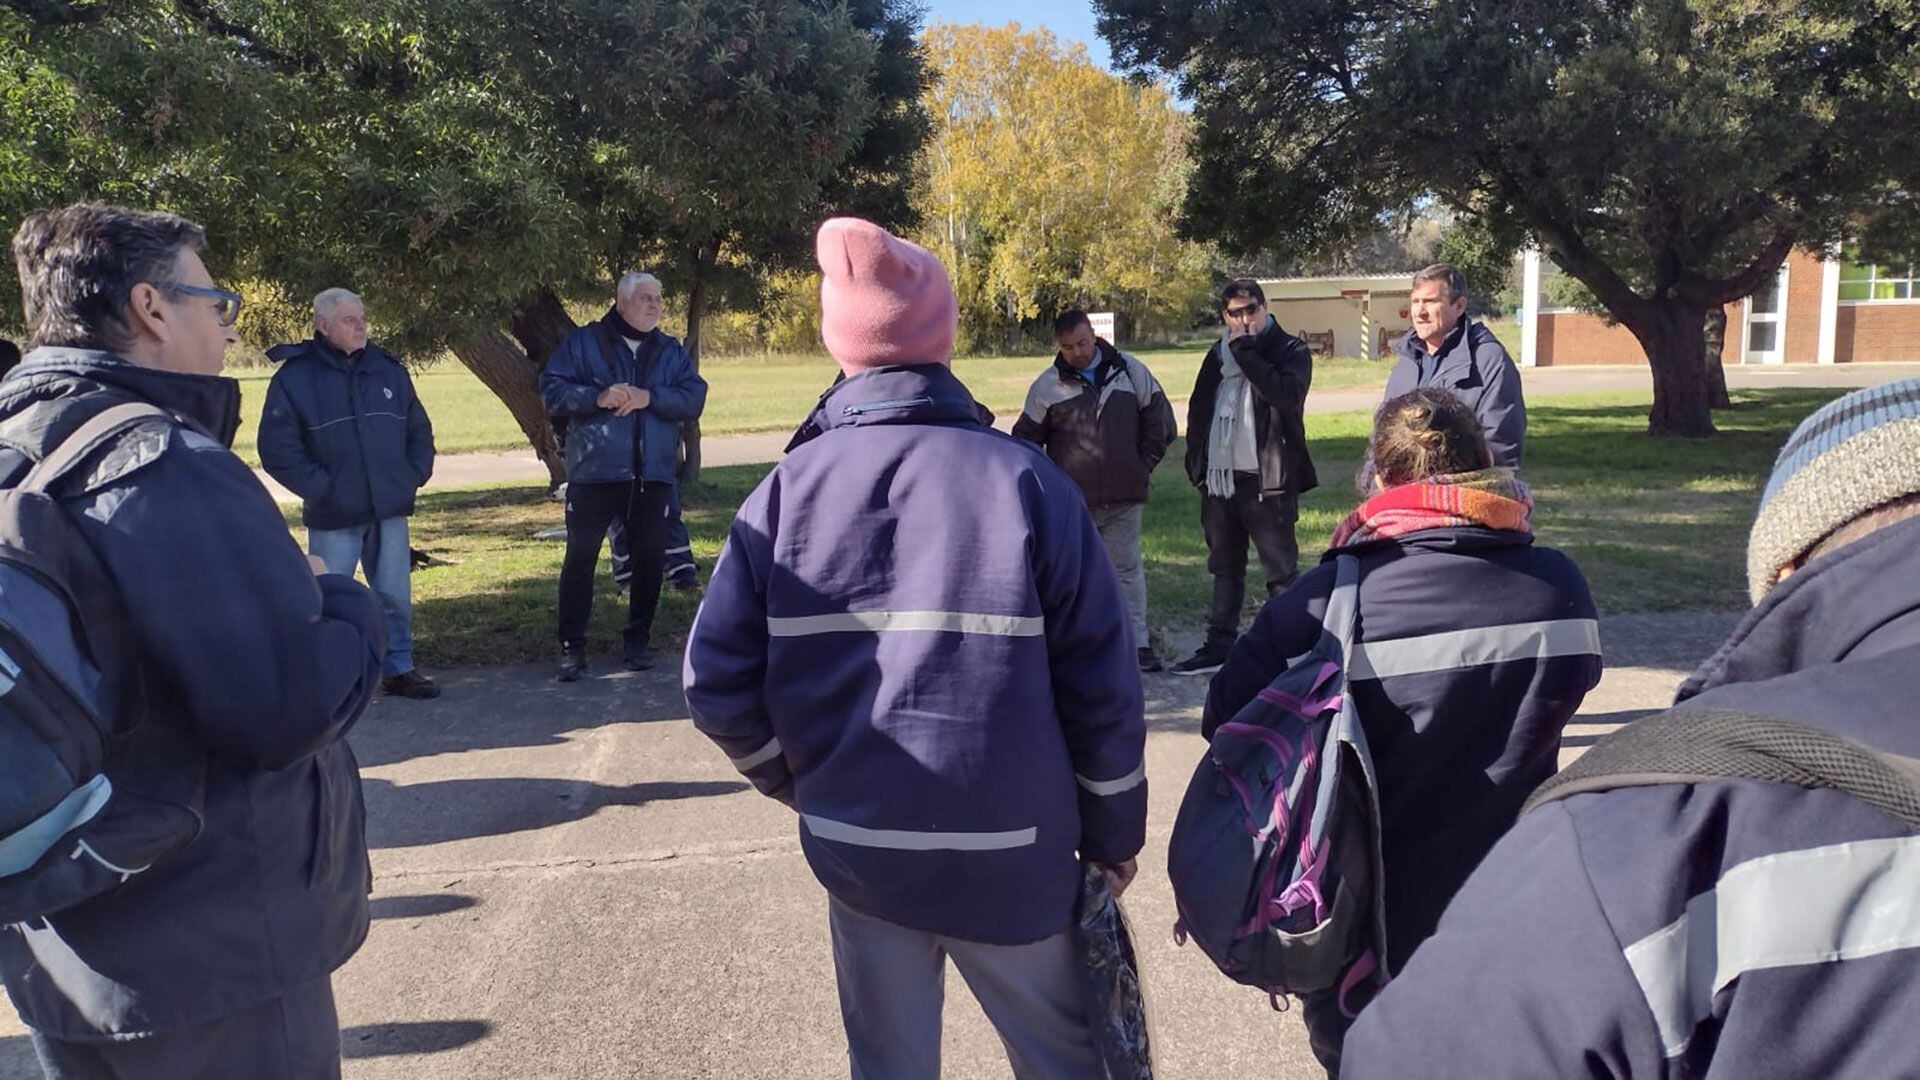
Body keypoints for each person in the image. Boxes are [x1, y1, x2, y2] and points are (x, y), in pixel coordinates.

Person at [1342, 380, 1920, 1079]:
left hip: (1366, 880)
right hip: (1499, 832)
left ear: (1789, 565)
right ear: (1483, 464)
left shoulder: (1672, 835)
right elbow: (1578, 676)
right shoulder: (1556, 581)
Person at [684, 217, 1147, 1077]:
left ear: (839, 341)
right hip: (1018, 852)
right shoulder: (1028, 482)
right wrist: (1116, 827)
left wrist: (798, 782)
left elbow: (714, 682)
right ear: (941, 334)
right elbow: (1102, 684)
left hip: (861, 851)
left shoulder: (783, 494)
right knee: (1068, 1061)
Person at [0, 202, 385, 1078]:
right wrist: (351, 607)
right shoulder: (155, 459)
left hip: (60, 939)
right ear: (150, 307)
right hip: (211, 950)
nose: (224, 324)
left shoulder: (16, 448)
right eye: (217, 303)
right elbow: (285, 703)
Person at [1202, 388, 1602, 1075]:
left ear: (1380, 479)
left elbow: (1225, 717)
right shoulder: (1559, 587)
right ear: (1483, 465)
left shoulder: (1329, 599)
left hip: (1369, 935)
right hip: (1516, 911)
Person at [259, 287, 440, 699]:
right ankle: (326, 677)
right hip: (334, 515)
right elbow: (277, 450)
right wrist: (325, 490)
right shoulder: (295, 378)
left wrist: (412, 474)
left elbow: (418, 428)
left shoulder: (388, 369)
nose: (360, 327)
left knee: (395, 595)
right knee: (328, 597)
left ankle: (399, 668)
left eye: (362, 319)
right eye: (348, 321)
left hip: (389, 509)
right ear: (322, 326)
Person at [540, 271, 707, 680]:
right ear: (621, 301)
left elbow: (694, 396)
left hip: (652, 477)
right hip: (594, 476)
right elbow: (551, 391)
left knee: (650, 561)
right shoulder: (583, 343)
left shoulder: (669, 350)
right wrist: (596, 397)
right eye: (646, 298)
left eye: (659, 299)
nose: (655, 305)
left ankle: (638, 641)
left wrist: (651, 398)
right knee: (579, 562)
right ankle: (571, 648)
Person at [1013, 307, 1177, 672]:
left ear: (1095, 335)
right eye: (1068, 347)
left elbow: (1161, 423)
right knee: (1075, 578)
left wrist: (1140, 465)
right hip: (1074, 505)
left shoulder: (1131, 372)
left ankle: (1137, 646)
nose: (1077, 352)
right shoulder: (1046, 387)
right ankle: (1083, 648)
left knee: (1126, 572)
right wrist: (1051, 488)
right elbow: (1024, 444)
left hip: (1124, 498)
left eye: (1083, 343)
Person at [1171, 279, 1318, 676]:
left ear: (1264, 307)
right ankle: (1219, 645)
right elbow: (1200, 408)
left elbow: (1286, 396)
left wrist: (1247, 352)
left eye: (1251, 309)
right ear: (1224, 316)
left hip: (1268, 478)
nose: (1244, 319)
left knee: (1281, 572)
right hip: (1221, 480)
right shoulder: (1216, 355)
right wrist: (1196, 463)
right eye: (1235, 313)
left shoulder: (1290, 350)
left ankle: (1289, 650)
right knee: (1224, 566)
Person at [1379, 264, 1525, 471]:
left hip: (1460, 496)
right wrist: (1376, 490)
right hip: (1402, 496)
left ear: (1459, 306)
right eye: (1415, 302)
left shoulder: (1488, 361)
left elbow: (1500, 449)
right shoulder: (1407, 362)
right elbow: (1381, 438)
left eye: (1430, 302)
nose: (1419, 312)